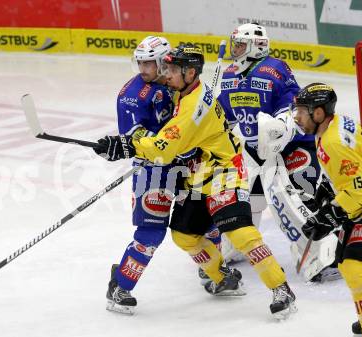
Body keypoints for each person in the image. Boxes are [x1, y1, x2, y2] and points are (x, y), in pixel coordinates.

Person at [94, 43, 297, 320]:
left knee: (241, 233)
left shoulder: (191, 108)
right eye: (166, 68)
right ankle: (219, 275)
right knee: (184, 234)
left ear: (190, 73)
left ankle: (281, 289)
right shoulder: (182, 91)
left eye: (173, 70)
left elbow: (164, 148)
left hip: (224, 173)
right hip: (197, 176)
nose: (166, 74)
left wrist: (126, 146)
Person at [215, 22, 339, 282]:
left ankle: (326, 254)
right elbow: (224, 115)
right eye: (234, 43)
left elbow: (295, 107)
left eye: (239, 44)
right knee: (245, 198)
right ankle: (238, 243)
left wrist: (281, 126)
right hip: (253, 148)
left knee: (301, 198)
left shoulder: (276, 69)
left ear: (255, 46)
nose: (234, 48)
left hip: (292, 144)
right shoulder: (229, 75)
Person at [295, 83, 362, 337]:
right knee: (344, 257)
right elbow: (354, 168)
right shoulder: (329, 127)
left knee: (355, 265)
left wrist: (331, 214)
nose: (296, 117)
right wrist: (328, 189)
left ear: (318, 112)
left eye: (301, 111)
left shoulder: (334, 140)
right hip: (360, 205)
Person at [105, 35, 174, 315]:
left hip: (189, 165)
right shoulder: (131, 95)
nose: (143, 69)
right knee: (150, 233)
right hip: (154, 170)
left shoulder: (177, 79)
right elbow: (134, 137)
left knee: (203, 222)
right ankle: (121, 285)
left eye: (149, 63)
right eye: (141, 63)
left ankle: (214, 273)